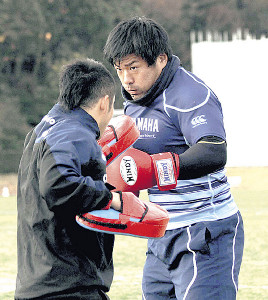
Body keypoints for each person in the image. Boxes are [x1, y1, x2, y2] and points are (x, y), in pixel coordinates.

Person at [104, 17, 244, 300]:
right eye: (119, 69)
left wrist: (157, 168)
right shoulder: (135, 97)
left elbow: (214, 149)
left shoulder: (190, 93)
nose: (126, 79)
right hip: (161, 232)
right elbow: (135, 165)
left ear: (161, 59)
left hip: (205, 230)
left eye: (133, 67)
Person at [15, 58, 122, 300]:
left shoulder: (41, 130)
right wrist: (110, 198)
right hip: (69, 286)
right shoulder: (75, 132)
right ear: (105, 103)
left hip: (38, 282)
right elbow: (58, 184)